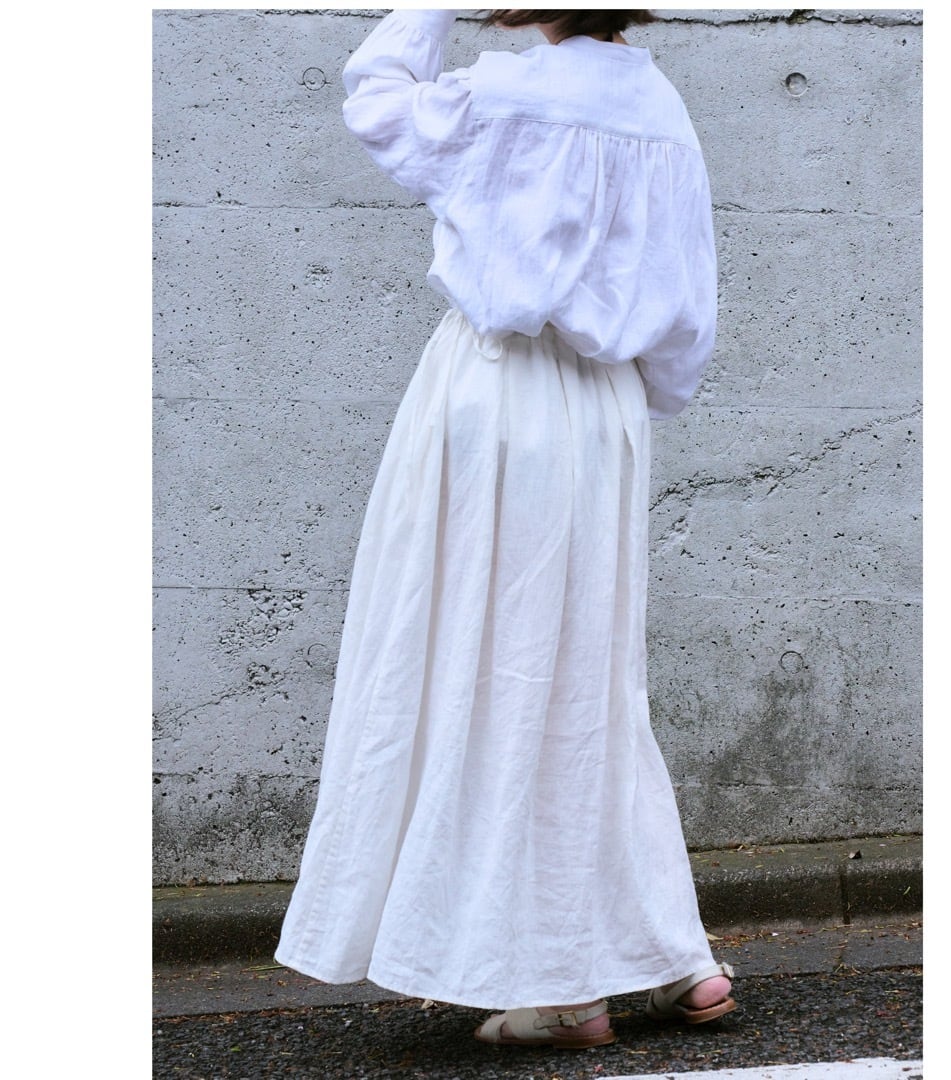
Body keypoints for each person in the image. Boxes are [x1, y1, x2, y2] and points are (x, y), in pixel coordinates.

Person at [274, 8, 735, 1048]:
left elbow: (377, 97)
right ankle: (671, 954)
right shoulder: (662, 110)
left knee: (488, 670)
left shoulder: (502, 93)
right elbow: (687, 318)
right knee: (591, 682)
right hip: (608, 408)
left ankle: (564, 986)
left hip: (498, 395)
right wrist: (628, 389)